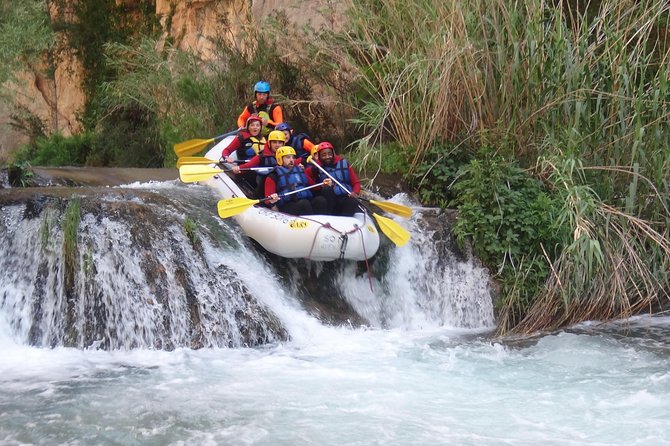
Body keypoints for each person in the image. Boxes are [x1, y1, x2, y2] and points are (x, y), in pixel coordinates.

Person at [265, 146, 330, 216]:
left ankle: (324, 221)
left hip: (304, 202)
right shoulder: (273, 175)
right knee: (304, 203)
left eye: (293, 157)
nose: (291, 160)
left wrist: (323, 184)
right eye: (288, 157)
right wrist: (272, 198)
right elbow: (267, 199)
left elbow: (313, 186)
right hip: (287, 206)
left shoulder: (300, 170)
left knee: (320, 200)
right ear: (280, 159)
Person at [306, 141, 361, 217]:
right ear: (319, 156)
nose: (327, 157)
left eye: (329, 154)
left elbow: (356, 183)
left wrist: (355, 192)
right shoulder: (316, 167)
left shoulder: (343, 164)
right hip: (329, 200)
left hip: (344, 197)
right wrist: (321, 185)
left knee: (353, 201)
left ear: (333, 154)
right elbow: (305, 177)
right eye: (324, 155)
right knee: (327, 189)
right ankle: (329, 216)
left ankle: (345, 221)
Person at [232, 130, 286, 199]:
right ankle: (259, 199)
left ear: (283, 144)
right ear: (269, 143)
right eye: (274, 142)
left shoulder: (287, 155)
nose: (277, 145)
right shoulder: (262, 156)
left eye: (280, 143)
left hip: (281, 183)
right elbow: (248, 165)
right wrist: (239, 168)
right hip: (263, 184)